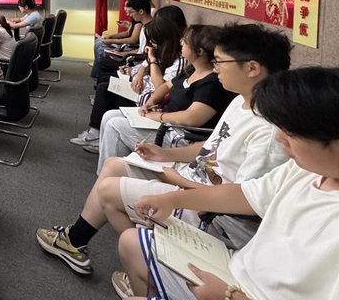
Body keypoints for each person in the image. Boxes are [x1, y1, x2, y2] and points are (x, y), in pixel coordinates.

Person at [36, 23, 291, 279]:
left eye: (221, 62)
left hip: (212, 213)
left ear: (252, 68)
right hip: (192, 179)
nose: (216, 68)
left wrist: (178, 180)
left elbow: (242, 202)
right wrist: (165, 155)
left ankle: (147, 270)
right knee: (113, 165)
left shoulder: (268, 130)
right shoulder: (240, 101)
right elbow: (209, 148)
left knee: (108, 191)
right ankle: (85, 243)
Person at [121, 67, 339, 300]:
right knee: (131, 243)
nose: (279, 137)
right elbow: (245, 194)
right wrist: (173, 199)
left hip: (242, 291)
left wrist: (228, 296)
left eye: (291, 131)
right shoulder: (304, 170)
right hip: (237, 270)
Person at [94, 24, 234, 172]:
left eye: (185, 41)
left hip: (180, 134)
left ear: (199, 51)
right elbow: (167, 85)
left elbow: (191, 118)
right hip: (165, 121)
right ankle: (110, 171)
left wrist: (157, 116)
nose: (181, 43)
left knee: (115, 125)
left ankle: (109, 173)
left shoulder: (212, 83)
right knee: (109, 115)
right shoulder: (192, 69)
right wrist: (151, 101)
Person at [71, 18, 185, 153]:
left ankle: (95, 135)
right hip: (141, 91)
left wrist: (153, 60)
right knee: (106, 84)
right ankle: (95, 133)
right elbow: (143, 66)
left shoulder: (178, 61)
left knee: (104, 90)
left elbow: (160, 86)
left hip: (147, 101)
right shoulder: (159, 51)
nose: (151, 43)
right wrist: (139, 76)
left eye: (153, 40)